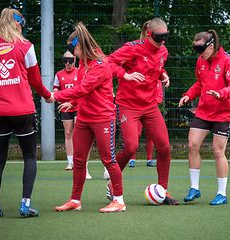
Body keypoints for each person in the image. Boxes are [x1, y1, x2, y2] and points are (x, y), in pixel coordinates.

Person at [0, 8, 52, 218]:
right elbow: (35, 79)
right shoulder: (25, 46)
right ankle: (25, 205)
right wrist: (47, 96)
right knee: (29, 156)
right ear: (18, 23)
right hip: (23, 111)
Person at [52, 22, 126, 213]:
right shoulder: (84, 64)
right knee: (78, 160)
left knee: (108, 159)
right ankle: (75, 200)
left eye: (72, 49)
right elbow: (85, 92)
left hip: (102, 118)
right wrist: (74, 104)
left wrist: (56, 96)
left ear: (80, 46)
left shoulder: (100, 64)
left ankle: (119, 201)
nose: (70, 54)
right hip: (84, 119)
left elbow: (85, 88)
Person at [107, 17, 179, 205]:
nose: (163, 40)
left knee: (164, 147)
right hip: (128, 105)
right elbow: (109, 63)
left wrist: (162, 74)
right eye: (159, 36)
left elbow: (156, 66)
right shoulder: (132, 47)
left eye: (166, 36)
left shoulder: (163, 51)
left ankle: (163, 190)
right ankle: (112, 184)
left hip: (150, 106)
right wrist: (126, 75)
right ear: (149, 34)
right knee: (131, 147)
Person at [179, 29, 230, 205]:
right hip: (204, 111)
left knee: (218, 151)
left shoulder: (229, 61)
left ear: (211, 46)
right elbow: (199, 84)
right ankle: (194, 188)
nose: (198, 54)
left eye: (200, 49)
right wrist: (188, 95)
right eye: (195, 49)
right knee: (192, 145)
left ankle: (222, 193)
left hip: (222, 114)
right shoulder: (201, 61)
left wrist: (221, 94)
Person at [54, 51, 93, 179]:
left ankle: (80, 161)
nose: (68, 63)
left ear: (75, 60)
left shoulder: (80, 71)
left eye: (70, 60)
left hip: (78, 105)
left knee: (79, 132)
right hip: (66, 106)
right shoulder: (59, 74)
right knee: (68, 133)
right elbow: (55, 90)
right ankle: (70, 161)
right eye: (65, 60)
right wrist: (59, 97)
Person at [128, 80, 164, 168]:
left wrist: (150, 104)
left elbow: (160, 97)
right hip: (137, 110)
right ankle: (132, 159)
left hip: (151, 111)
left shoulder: (157, 81)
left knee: (150, 135)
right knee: (136, 134)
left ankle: (149, 159)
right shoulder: (138, 78)